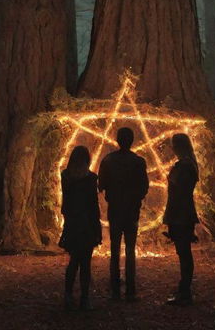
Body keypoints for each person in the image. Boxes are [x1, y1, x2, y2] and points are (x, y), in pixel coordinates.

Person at [98, 126, 149, 301]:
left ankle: (114, 288)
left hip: (115, 210)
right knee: (130, 248)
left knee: (114, 248)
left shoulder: (108, 161)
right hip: (132, 210)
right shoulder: (138, 162)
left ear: (117, 140)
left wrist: (111, 194)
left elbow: (101, 185)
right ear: (132, 140)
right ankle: (131, 289)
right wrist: (136, 197)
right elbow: (144, 187)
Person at [59, 145, 101, 311]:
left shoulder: (65, 176)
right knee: (85, 263)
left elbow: (67, 202)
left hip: (72, 223)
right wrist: (96, 227)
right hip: (87, 224)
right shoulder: (91, 178)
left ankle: (68, 296)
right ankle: (84, 298)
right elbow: (93, 204)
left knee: (74, 261)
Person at [163, 132, 199, 306]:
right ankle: (184, 290)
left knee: (184, 253)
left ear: (180, 146)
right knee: (183, 252)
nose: (173, 148)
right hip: (181, 214)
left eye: (174, 145)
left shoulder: (185, 166)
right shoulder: (188, 165)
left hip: (181, 215)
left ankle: (185, 292)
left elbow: (180, 192)